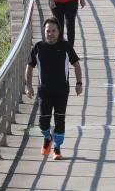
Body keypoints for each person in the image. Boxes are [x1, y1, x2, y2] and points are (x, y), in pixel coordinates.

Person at [25, 17, 83, 161]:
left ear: (58, 32)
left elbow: (76, 64)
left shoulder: (65, 46)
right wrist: (28, 85)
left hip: (62, 90)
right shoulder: (38, 47)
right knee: (43, 122)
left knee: (59, 119)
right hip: (44, 90)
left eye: (53, 31)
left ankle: (57, 148)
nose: (50, 33)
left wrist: (79, 83)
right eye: (48, 31)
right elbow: (29, 67)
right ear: (44, 32)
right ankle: (47, 137)